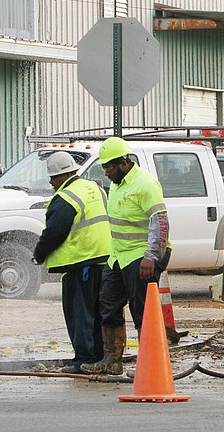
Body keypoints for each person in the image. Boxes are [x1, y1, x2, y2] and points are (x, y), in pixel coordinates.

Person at [81, 137, 172, 375]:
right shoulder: (118, 184)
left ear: (123, 163)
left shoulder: (145, 184)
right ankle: (111, 360)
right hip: (119, 255)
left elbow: (160, 223)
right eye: (104, 168)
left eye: (109, 168)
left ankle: (151, 365)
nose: (107, 173)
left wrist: (151, 257)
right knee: (108, 304)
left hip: (142, 255)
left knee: (142, 310)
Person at [32, 151, 111, 373]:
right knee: (98, 312)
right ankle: (99, 357)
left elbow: (54, 233)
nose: (50, 182)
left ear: (61, 176)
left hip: (80, 262)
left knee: (80, 314)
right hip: (103, 259)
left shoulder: (65, 197)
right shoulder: (94, 187)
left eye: (52, 177)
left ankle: (83, 361)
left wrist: (38, 254)